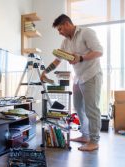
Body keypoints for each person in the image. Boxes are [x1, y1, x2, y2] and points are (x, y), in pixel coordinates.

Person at [41, 14, 103, 151]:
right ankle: (85, 135)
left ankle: (94, 141)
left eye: (60, 29)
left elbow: (99, 51)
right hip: (79, 77)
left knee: (91, 109)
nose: (59, 32)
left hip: (92, 75)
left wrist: (81, 58)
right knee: (78, 106)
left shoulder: (86, 32)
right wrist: (45, 71)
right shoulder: (65, 42)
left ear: (67, 24)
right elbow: (57, 60)